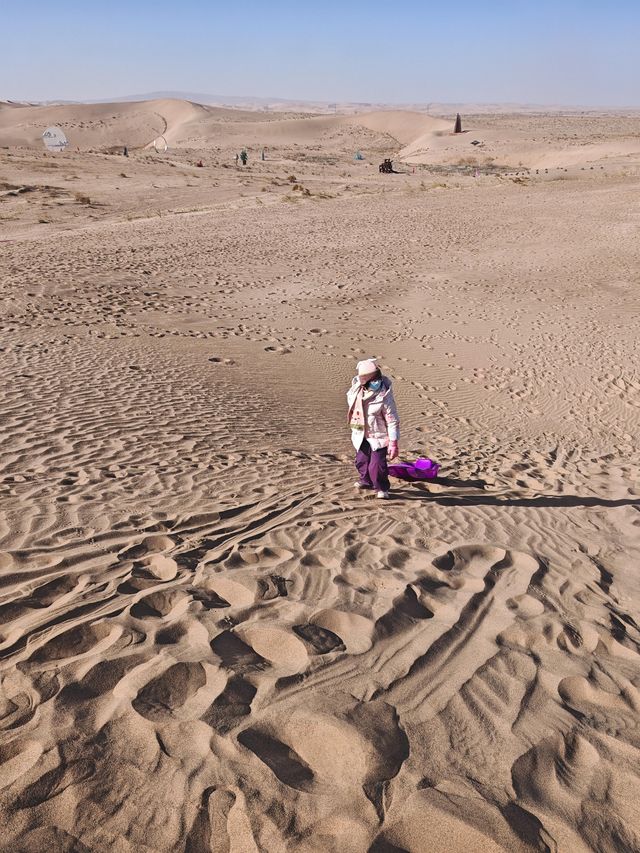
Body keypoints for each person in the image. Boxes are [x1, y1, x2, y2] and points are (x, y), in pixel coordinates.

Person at [347, 358, 399, 499]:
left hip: (379, 436)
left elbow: (392, 420)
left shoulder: (384, 396)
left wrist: (393, 442)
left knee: (377, 466)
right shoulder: (355, 392)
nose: (377, 381)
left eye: (378, 378)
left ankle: (382, 488)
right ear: (365, 381)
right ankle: (366, 481)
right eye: (373, 379)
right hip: (361, 433)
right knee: (361, 461)